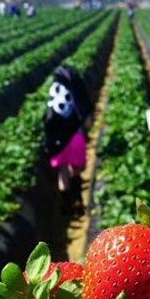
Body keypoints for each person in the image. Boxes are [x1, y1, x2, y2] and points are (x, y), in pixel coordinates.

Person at [43, 66, 93, 216]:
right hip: (74, 136)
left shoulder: (55, 88)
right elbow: (85, 115)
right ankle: (78, 202)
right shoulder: (75, 89)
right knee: (75, 170)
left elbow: (48, 116)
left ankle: (67, 207)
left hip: (57, 140)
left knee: (63, 174)